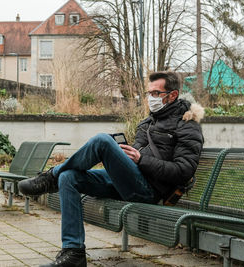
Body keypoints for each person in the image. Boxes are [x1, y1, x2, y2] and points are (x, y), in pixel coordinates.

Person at [18, 71, 204, 267]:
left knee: (102, 141)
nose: (151, 98)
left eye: (156, 94)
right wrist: (124, 157)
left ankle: (50, 177)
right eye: (149, 93)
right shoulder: (147, 123)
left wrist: (141, 160)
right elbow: (136, 157)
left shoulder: (187, 126)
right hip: (131, 180)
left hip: (150, 191)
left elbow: (184, 170)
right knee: (69, 177)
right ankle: (74, 254)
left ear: (172, 95)